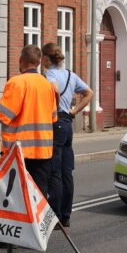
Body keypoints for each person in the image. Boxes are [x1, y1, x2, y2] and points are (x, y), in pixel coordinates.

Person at [0, 45, 57, 197]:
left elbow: (2, 114)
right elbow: (53, 117)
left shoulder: (17, 82)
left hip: (18, 152)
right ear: (39, 63)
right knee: (38, 198)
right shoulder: (47, 85)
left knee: (15, 198)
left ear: (20, 60)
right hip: (43, 151)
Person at [41, 42, 93, 228]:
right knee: (66, 171)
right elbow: (89, 93)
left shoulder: (50, 74)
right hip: (67, 123)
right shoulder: (71, 75)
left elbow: (54, 89)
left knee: (54, 171)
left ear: (46, 58)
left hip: (56, 123)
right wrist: (74, 111)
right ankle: (66, 216)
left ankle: (54, 216)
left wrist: (54, 108)